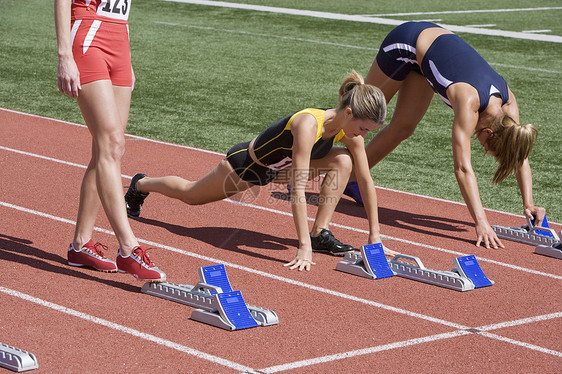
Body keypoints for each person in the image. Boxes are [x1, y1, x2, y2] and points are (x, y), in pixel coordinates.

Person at [125, 71, 397, 271]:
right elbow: (299, 189)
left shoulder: (350, 134)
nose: (362, 135)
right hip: (250, 168)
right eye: (362, 128)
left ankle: (319, 234)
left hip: (282, 169)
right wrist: (300, 247)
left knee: (344, 162)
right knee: (191, 194)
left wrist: (375, 237)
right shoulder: (308, 126)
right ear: (348, 112)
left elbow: (365, 180)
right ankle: (141, 184)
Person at [343, 21, 544, 249]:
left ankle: (349, 177)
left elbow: (520, 154)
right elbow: (462, 168)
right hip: (406, 43)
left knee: (403, 128)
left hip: (427, 54)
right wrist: (481, 222)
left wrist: (528, 204)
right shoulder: (469, 104)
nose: (483, 150)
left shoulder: (508, 105)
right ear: (488, 133)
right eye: (487, 148)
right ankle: (308, 165)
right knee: (360, 115)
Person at [55, 0, 166, 281]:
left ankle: (80, 244)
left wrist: (127, 61)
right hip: (87, 36)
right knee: (111, 145)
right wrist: (64, 55)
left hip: (120, 39)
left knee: (105, 149)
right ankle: (129, 248)